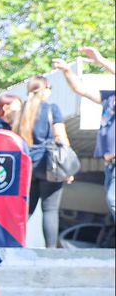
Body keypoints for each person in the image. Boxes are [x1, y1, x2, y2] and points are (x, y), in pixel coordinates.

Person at [54, 48, 115, 225]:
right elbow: (80, 89)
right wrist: (67, 71)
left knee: (113, 201)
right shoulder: (109, 97)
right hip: (109, 165)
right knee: (111, 203)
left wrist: (100, 60)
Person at [16, 75, 75, 247]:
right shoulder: (51, 109)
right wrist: (68, 168)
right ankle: (50, 251)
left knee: (26, 210)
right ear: (45, 89)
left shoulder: (22, 110)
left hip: (26, 166)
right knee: (50, 210)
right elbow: (60, 135)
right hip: (49, 165)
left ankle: (13, 244)